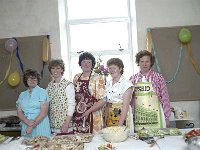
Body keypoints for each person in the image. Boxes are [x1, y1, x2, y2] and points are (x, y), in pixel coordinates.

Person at [83, 58, 134, 134]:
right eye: (110, 68)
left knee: (121, 139)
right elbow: (104, 101)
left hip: (122, 117)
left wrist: (119, 127)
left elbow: (125, 107)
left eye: (114, 68)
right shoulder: (108, 84)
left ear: (120, 69)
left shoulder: (127, 84)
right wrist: (89, 111)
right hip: (110, 117)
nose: (111, 70)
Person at [130, 50, 171, 131]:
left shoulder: (158, 77)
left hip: (157, 117)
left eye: (147, 61)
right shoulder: (133, 79)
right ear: (138, 62)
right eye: (142, 61)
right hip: (139, 119)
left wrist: (167, 117)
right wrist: (130, 118)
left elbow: (165, 98)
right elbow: (130, 100)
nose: (144, 64)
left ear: (151, 62)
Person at [73, 52, 106, 134]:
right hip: (79, 114)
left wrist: (88, 111)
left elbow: (103, 100)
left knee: (94, 142)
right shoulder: (76, 77)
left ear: (92, 64)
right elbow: (74, 97)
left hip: (93, 115)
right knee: (79, 141)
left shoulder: (98, 78)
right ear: (80, 64)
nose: (86, 64)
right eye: (84, 61)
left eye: (89, 62)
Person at [16, 69, 51, 138]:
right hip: (26, 124)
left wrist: (31, 126)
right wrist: (27, 122)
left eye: (34, 79)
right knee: (26, 146)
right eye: (29, 79)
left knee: (41, 146)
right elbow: (19, 112)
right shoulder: (22, 94)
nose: (32, 81)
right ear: (26, 81)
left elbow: (44, 112)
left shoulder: (43, 92)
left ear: (37, 80)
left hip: (40, 124)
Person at [47, 59, 75, 134]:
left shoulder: (68, 85)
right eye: (53, 68)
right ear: (50, 70)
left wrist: (66, 124)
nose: (55, 70)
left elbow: (71, 105)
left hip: (65, 125)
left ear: (62, 70)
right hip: (53, 125)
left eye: (58, 68)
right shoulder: (49, 86)